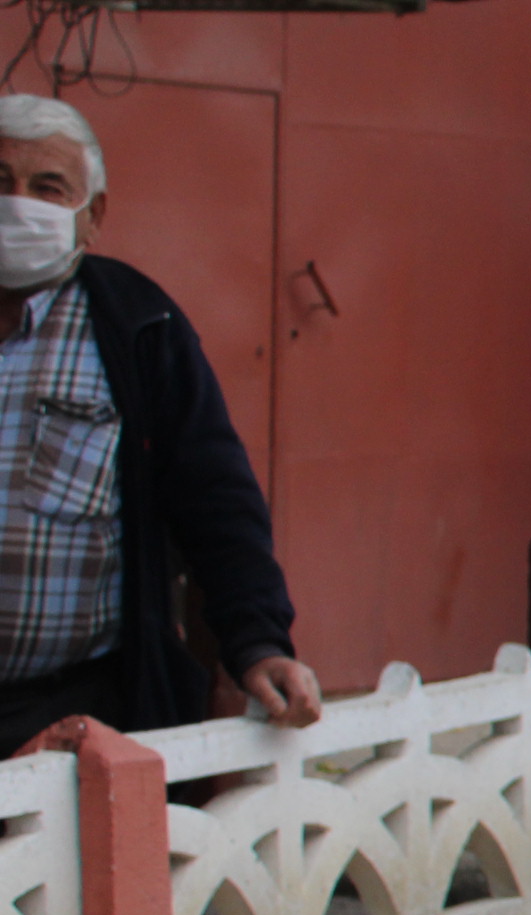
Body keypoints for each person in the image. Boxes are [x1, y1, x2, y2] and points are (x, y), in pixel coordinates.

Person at [0, 95, 321, 752]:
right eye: (0, 183)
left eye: (48, 188)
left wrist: (258, 642)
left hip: (73, 711)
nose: (17, 204)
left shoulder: (141, 329)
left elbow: (215, 502)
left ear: (94, 217)